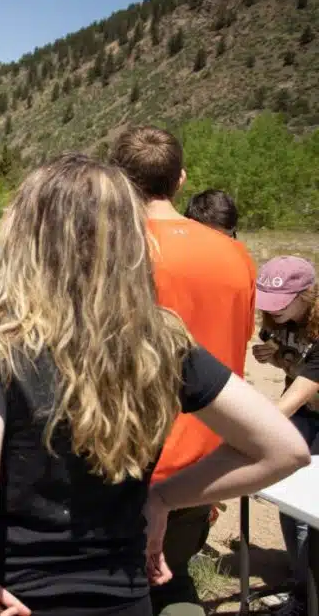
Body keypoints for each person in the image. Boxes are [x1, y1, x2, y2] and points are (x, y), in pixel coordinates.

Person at [0, 153, 310, 616]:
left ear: (24, 238)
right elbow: (283, 448)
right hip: (121, 600)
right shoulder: (159, 342)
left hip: (3, 597)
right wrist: (165, 496)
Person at [111, 125, 257, 616]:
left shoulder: (113, 251)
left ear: (118, 181)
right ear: (180, 181)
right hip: (208, 460)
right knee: (173, 587)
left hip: (125, 457)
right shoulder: (236, 256)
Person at [251, 255, 319, 616]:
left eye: (283, 303)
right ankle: (300, 581)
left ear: (308, 295)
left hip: (298, 408)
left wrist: (248, 428)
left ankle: (306, 594)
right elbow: (297, 367)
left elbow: (306, 382)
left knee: (311, 508)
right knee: (288, 499)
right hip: (302, 413)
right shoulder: (275, 324)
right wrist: (275, 358)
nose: (273, 312)